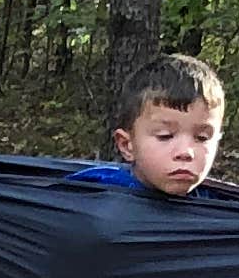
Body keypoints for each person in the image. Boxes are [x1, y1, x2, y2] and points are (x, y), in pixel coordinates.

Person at [67, 53, 226, 196]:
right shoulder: (88, 197)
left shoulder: (223, 208)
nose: (185, 153)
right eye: (165, 136)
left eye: (202, 138)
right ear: (127, 145)